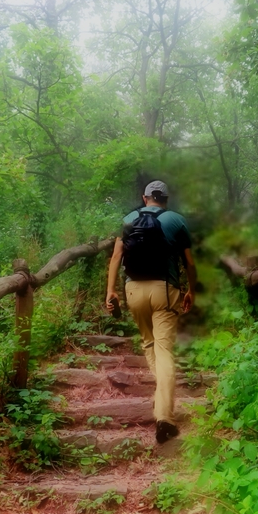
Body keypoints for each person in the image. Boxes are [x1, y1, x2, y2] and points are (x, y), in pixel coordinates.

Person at [105, 180, 197, 444]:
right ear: (165, 200)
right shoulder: (176, 220)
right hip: (164, 290)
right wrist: (192, 290)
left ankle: (161, 401)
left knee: (149, 343)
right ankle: (165, 419)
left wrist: (111, 291)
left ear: (145, 199)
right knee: (164, 350)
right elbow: (189, 262)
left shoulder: (128, 219)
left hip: (133, 290)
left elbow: (115, 258)